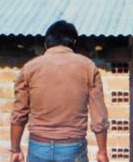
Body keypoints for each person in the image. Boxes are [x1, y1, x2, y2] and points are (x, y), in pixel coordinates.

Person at [10, 20, 110, 162]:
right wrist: (102, 152)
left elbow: (18, 114)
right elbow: (99, 116)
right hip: (73, 147)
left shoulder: (29, 68)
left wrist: (15, 149)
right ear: (74, 43)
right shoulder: (88, 67)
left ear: (46, 45)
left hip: (39, 146)